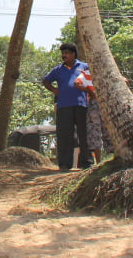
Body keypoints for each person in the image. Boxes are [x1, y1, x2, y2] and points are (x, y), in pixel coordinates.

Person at [42, 42, 91, 171]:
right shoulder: (58, 70)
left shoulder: (84, 67)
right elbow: (46, 81)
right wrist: (54, 90)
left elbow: (92, 79)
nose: (64, 55)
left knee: (83, 133)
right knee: (65, 135)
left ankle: (86, 162)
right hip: (64, 106)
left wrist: (90, 92)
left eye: (67, 53)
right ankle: (64, 164)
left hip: (81, 105)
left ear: (74, 54)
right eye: (63, 53)